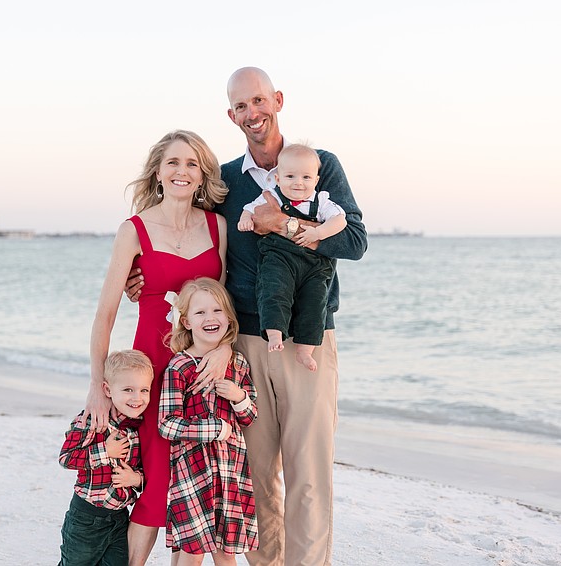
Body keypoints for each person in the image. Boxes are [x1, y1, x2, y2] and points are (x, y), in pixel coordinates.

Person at [125, 68, 367, 565]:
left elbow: (355, 241)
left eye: (259, 100)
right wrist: (146, 276)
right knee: (253, 476)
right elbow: (190, 232)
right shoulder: (227, 181)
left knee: (309, 472)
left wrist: (287, 225)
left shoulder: (321, 166)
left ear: (277, 100)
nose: (252, 113)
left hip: (307, 340)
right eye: (241, 106)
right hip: (241, 347)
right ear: (231, 115)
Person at [84, 130, 231, 566]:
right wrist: (98, 384)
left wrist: (223, 350)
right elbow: (105, 314)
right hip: (149, 370)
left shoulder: (217, 225)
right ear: (158, 172)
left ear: (202, 174)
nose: (182, 171)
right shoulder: (134, 230)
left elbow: (222, 303)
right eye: (173, 163)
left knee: (196, 491)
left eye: (191, 164)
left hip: (201, 371)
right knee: (155, 483)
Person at [158, 277, 258, 565]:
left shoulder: (237, 363)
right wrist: (213, 429)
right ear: (187, 322)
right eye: (200, 313)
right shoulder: (180, 366)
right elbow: (167, 424)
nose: (210, 318)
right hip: (192, 473)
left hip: (230, 472)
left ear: (228, 317)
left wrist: (238, 396)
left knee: (227, 553)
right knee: (192, 553)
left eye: (217, 311)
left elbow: (250, 416)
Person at [237, 143, 347, 371]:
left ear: (316, 180)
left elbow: (341, 221)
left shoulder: (322, 201)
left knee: (315, 302)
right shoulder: (272, 197)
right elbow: (251, 209)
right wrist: (245, 219)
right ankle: (275, 332)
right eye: (290, 176)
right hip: (280, 258)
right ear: (277, 179)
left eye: (306, 177)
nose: (299, 182)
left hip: (314, 265)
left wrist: (319, 232)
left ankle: (305, 350)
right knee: (273, 289)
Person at [58, 349, 154, 566]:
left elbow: (141, 467)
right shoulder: (92, 420)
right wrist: (105, 451)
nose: (137, 398)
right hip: (86, 517)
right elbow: (66, 458)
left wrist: (136, 479)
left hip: (119, 518)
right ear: (108, 390)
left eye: (144, 390)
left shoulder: (138, 427)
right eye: (128, 389)